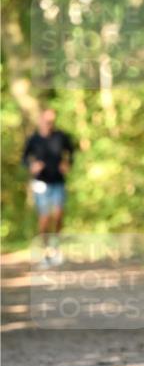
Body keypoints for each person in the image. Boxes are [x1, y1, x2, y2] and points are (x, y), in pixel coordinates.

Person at [22, 108, 75, 267]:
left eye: (52, 121)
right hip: (40, 183)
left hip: (58, 181)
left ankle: (56, 248)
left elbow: (71, 152)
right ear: (40, 120)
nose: (49, 124)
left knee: (59, 214)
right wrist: (32, 165)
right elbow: (24, 158)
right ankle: (45, 253)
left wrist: (67, 163)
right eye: (46, 121)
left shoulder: (61, 137)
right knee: (44, 219)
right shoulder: (34, 139)